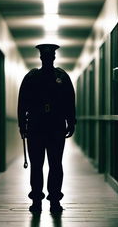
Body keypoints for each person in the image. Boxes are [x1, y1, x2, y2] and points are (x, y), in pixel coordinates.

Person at [17, 44, 76, 213]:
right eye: (46, 56)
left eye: (50, 56)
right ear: (42, 58)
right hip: (38, 126)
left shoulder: (61, 77)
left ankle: (54, 200)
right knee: (38, 165)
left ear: (53, 58)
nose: (48, 59)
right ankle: (38, 200)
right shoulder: (33, 77)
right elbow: (22, 103)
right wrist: (22, 124)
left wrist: (71, 121)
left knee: (55, 165)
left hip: (53, 126)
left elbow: (69, 101)